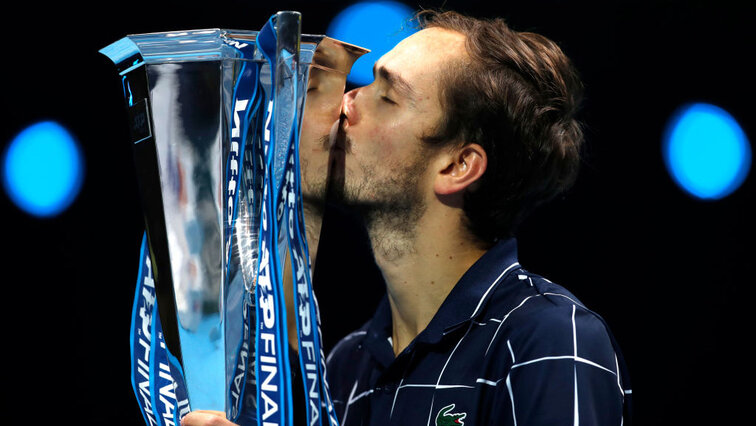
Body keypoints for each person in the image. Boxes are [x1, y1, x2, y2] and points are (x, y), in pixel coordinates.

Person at [182, 9, 632, 426]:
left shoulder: (549, 340)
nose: (346, 102)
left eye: (387, 96)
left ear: (458, 166)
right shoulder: (345, 367)